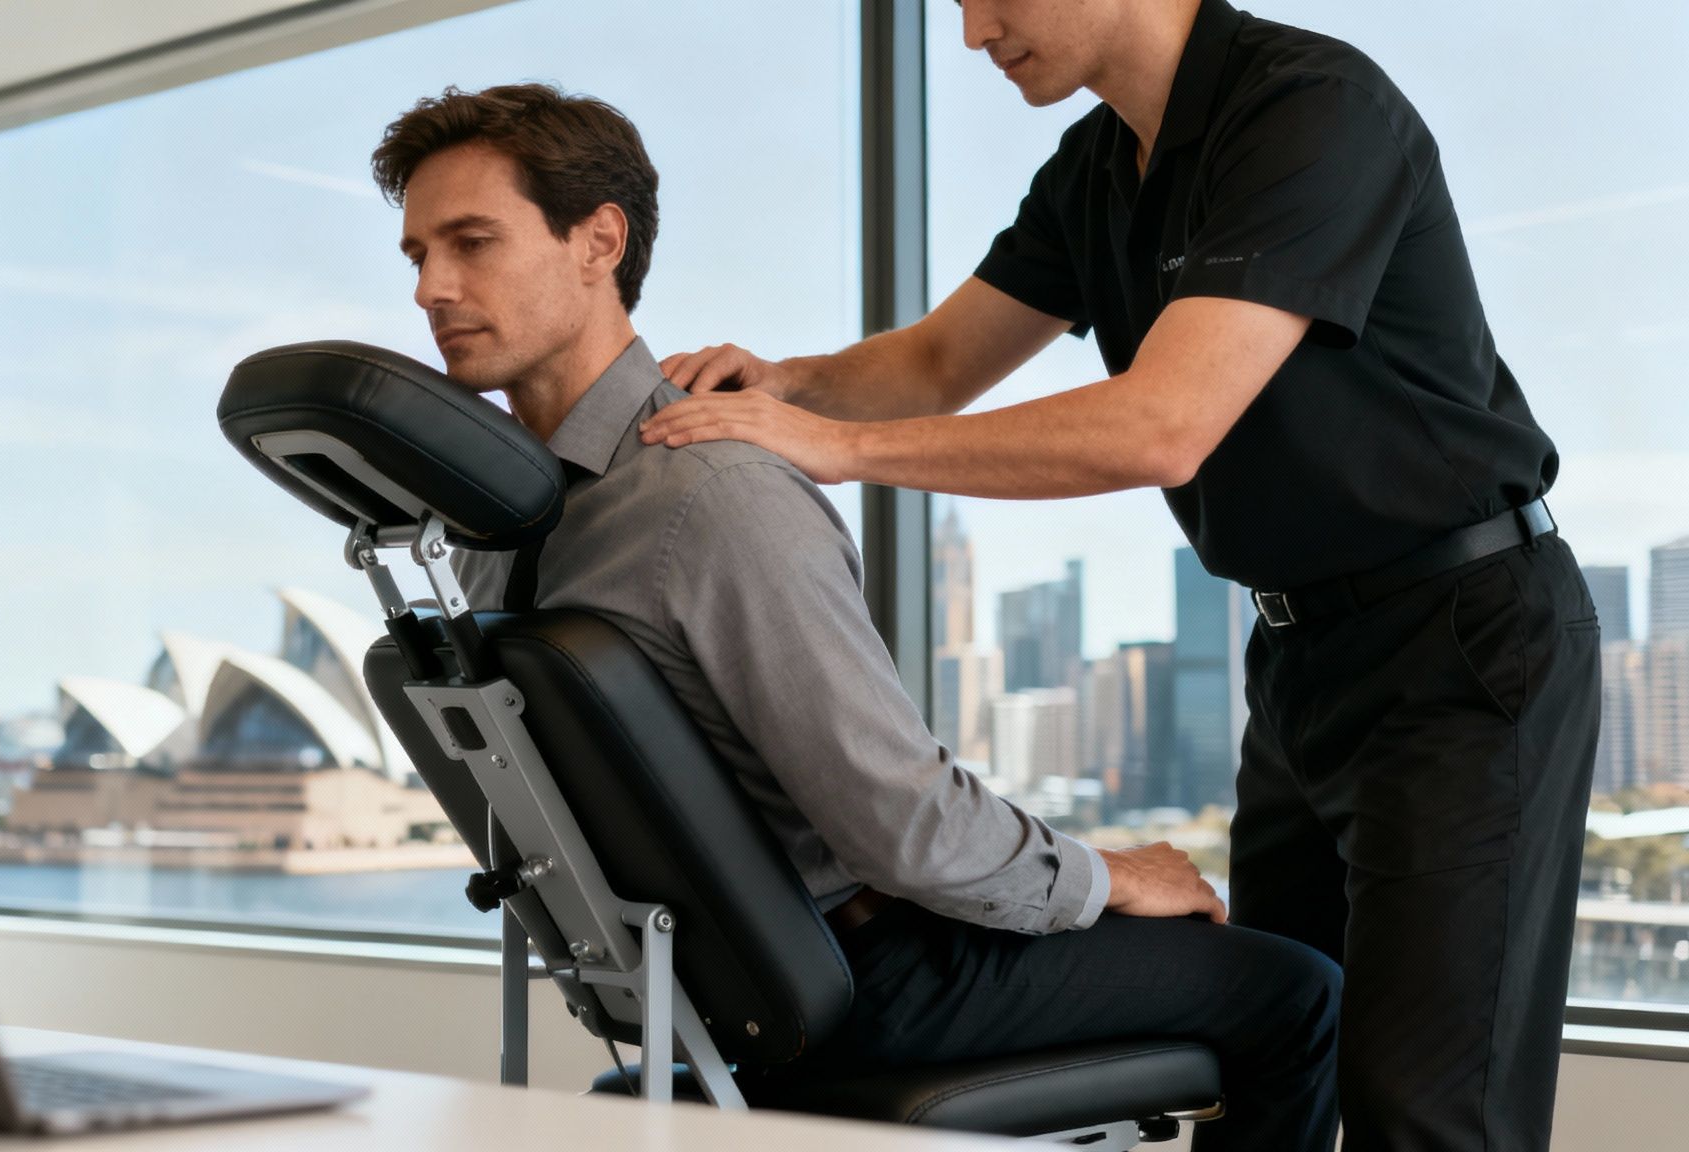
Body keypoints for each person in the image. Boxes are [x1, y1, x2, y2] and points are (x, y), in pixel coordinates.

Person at [642, 3, 1601, 1149]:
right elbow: (937, 364)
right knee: (1278, 1049)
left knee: (1428, 1115)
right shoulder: (1095, 166)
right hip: (1299, 656)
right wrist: (784, 388)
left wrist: (836, 451)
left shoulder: (1309, 109)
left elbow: (1162, 426)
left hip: (1459, 641)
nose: (969, 32)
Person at [370, 81, 1340, 1150]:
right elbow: (906, 829)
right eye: (419, 255)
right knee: (1296, 991)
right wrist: (1109, 875)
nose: (433, 288)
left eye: (469, 242)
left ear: (599, 241)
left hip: (720, 1000)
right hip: (866, 981)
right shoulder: (711, 491)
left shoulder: (506, 530)